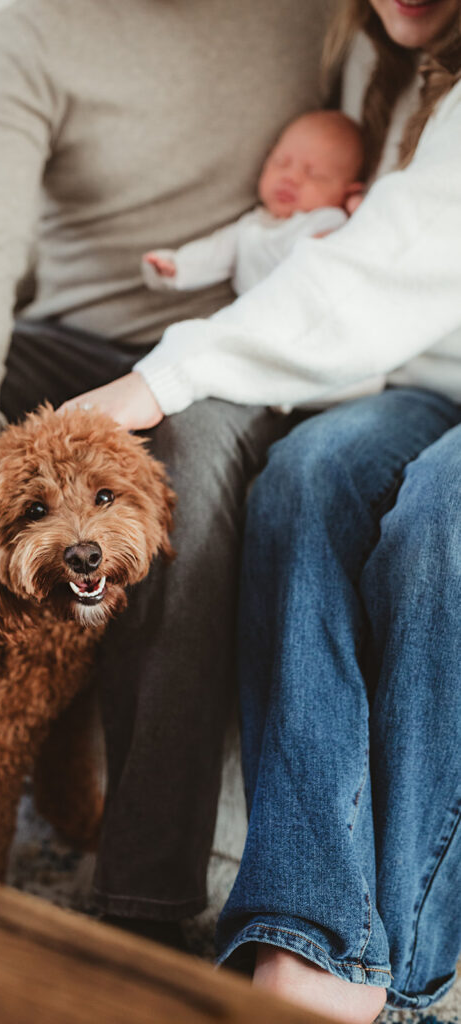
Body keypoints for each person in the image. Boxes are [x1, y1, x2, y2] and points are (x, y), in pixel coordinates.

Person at [0, 0, 335, 947]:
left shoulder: (318, 18)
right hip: (66, 338)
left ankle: (144, 906)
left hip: (219, 353)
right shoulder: (37, 29)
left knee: (187, 485)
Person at [68, 0, 461, 1019]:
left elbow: (389, 259)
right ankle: (307, 921)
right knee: (298, 477)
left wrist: (162, 378)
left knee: (435, 525)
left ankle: (397, 965)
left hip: (417, 369)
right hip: (412, 377)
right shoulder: (371, 69)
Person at [142, 110, 364, 296]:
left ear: (347, 192)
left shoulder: (327, 219)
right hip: (253, 320)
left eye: (315, 175)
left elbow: (359, 249)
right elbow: (213, 254)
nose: (291, 177)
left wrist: (359, 213)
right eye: (281, 162)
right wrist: (177, 266)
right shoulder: (250, 226)